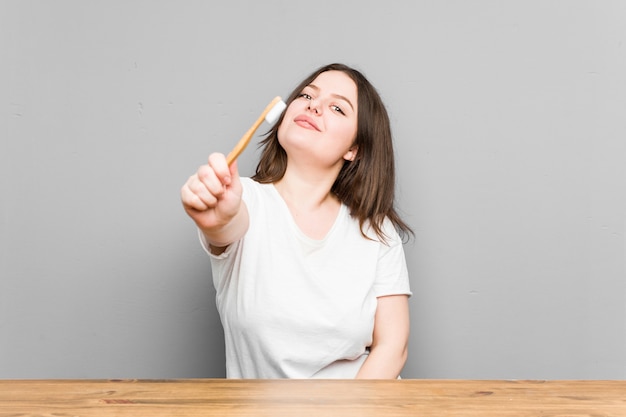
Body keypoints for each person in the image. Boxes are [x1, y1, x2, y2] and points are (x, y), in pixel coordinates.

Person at [181, 63, 412, 379]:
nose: (312, 105)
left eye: (337, 108)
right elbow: (226, 226)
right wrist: (217, 218)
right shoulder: (241, 199)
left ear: (354, 149)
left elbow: (393, 346)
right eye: (306, 95)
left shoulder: (376, 231)